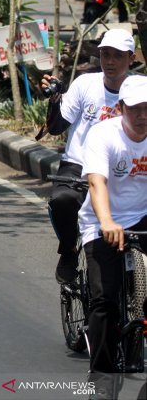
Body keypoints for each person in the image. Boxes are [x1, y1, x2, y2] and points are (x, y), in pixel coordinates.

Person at [40, 28, 137, 284]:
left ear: (131, 58)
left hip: (126, 168)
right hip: (79, 166)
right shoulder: (85, 84)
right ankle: (70, 249)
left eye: (118, 56)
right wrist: (54, 99)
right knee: (62, 199)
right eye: (106, 54)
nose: (110, 62)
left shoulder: (140, 90)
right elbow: (57, 127)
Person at [78, 75, 147, 377]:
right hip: (102, 220)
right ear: (120, 108)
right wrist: (107, 221)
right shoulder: (103, 135)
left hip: (142, 216)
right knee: (105, 301)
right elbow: (96, 181)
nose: (143, 116)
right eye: (135, 109)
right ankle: (101, 377)